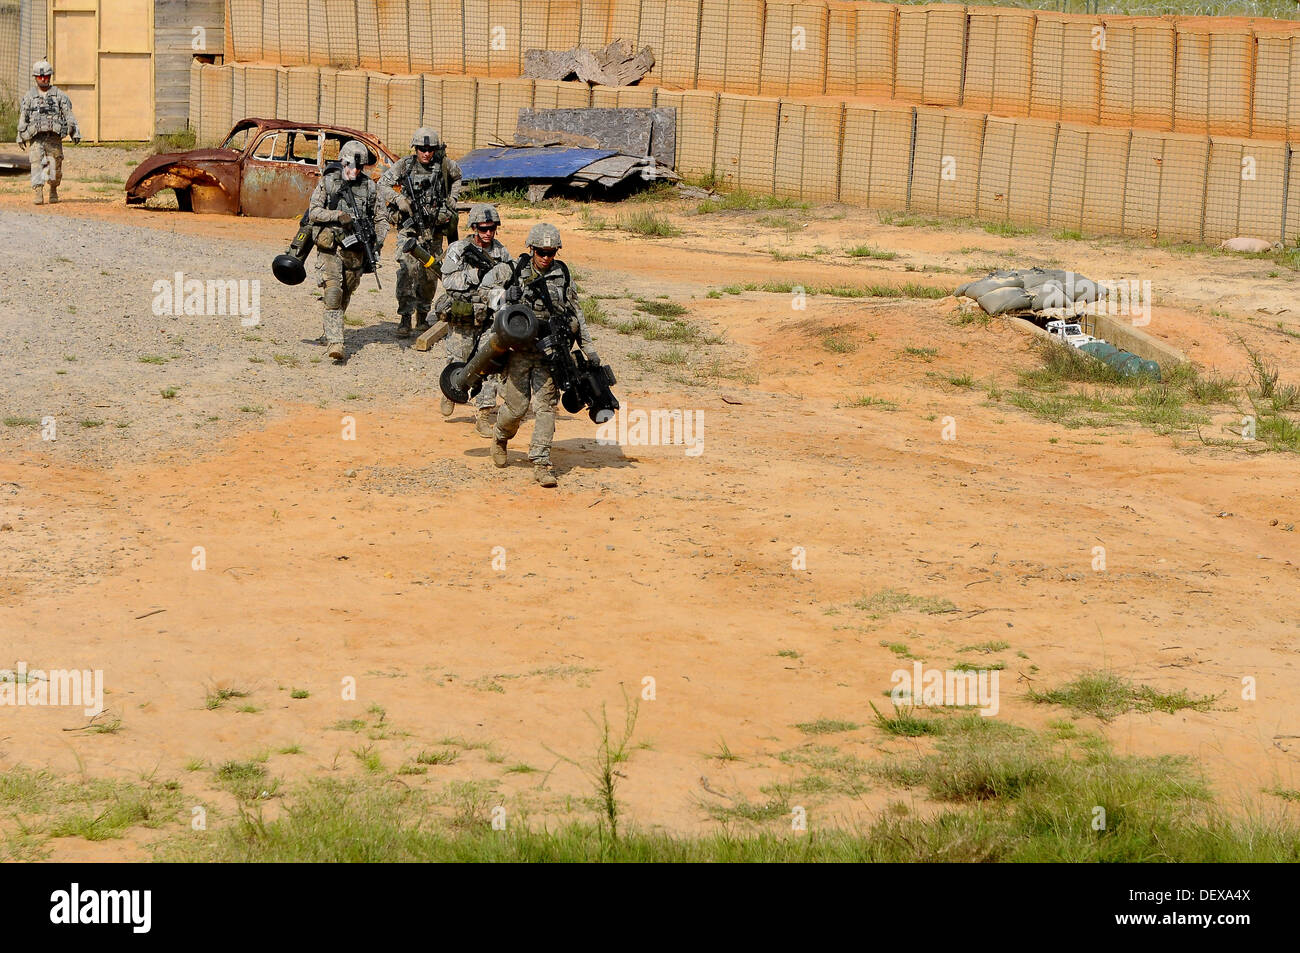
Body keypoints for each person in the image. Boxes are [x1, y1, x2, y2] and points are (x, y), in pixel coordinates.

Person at [481, 224, 601, 487]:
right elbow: (484, 290)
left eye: (551, 252)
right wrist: (503, 297)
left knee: (546, 407)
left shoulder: (563, 274)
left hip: (550, 354)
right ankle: (500, 437)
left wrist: (588, 349)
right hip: (519, 352)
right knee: (516, 408)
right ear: (531, 249)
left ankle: (541, 461)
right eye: (541, 252)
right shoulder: (513, 270)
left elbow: (577, 314)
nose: (546, 258)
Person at [376, 128, 462, 339]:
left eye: (430, 149)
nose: (426, 153)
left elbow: (458, 177)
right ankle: (405, 317)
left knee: (430, 274)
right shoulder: (405, 165)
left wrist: (452, 199)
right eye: (422, 149)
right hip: (410, 228)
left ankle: (422, 316)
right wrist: (398, 200)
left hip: (433, 229)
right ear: (415, 149)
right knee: (406, 271)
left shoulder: (444, 165)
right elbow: (382, 184)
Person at [307, 140, 387, 361]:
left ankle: (331, 328)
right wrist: (337, 216)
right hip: (331, 246)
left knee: (346, 292)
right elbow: (314, 212)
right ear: (343, 162)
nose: (355, 171)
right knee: (333, 290)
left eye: (360, 167)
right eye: (352, 165)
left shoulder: (370, 187)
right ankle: (336, 342)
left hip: (356, 251)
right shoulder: (328, 183)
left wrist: (375, 242)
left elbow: (381, 218)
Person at [435, 203, 512, 434]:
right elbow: (448, 281)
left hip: (489, 316)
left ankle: (484, 414)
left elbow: (509, 282)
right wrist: (475, 274)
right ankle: (450, 389)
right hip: (463, 315)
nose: (488, 233)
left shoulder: (501, 252)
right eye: (483, 228)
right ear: (474, 227)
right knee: (458, 359)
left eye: (492, 228)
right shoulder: (459, 249)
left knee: (489, 364)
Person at [17, 60, 80, 206]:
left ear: (50, 77)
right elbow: (23, 117)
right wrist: (20, 135)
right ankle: (38, 191)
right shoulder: (28, 97)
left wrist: (75, 132)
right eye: (40, 77)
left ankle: (53, 189)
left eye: (46, 76)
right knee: (36, 163)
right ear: (35, 77)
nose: (44, 79)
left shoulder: (59, 96)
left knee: (54, 166)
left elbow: (69, 115)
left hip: (53, 138)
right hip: (36, 137)